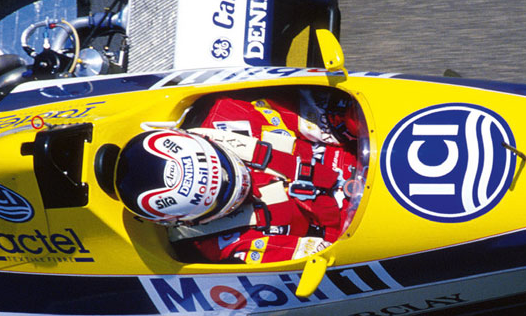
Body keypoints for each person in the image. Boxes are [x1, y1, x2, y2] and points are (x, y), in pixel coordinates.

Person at [114, 89, 361, 263]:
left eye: (222, 167)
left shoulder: (228, 114)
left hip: (365, 150)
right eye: (220, 195)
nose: (238, 186)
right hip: (358, 223)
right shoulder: (219, 243)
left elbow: (319, 115)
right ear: (187, 222)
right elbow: (318, 256)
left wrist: (348, 121)